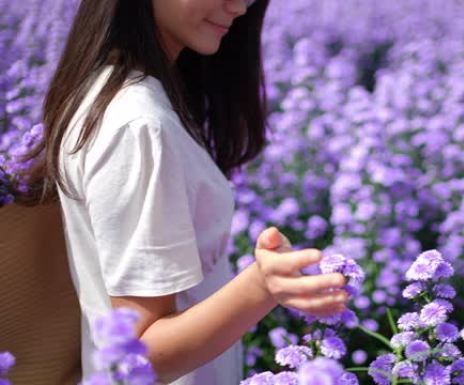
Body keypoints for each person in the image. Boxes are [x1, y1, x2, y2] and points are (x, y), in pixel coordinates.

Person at [18, 0, 350, 384]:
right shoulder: (139, 125)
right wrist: (261, 286)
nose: (240, 6)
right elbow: (140, 352)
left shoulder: (130, 96)